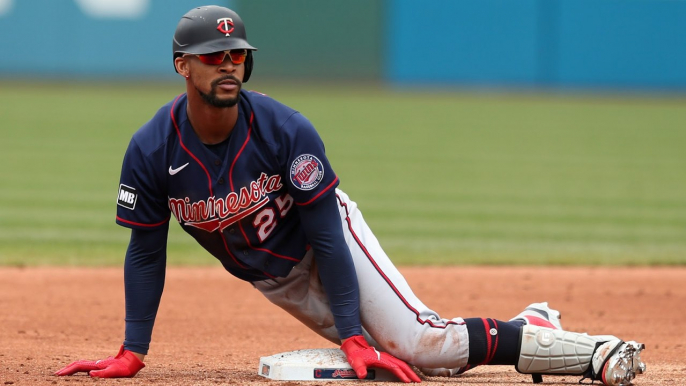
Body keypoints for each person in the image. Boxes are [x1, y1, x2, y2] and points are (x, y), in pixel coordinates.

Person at [55, 5, 646, 385]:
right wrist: (133, 350)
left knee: (420, 343)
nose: (228, 64)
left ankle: (591, 353)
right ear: (183, 66)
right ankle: (532, 322)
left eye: (238, 55)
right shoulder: (152, 149)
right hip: (275, 276)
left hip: (331, 241)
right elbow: (145, 252)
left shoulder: (286, 131)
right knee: (413, 364)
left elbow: (325, 234)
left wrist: (353, 333)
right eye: (214, 56)